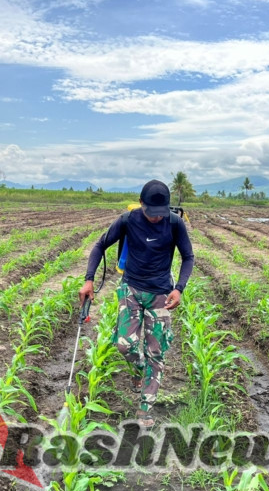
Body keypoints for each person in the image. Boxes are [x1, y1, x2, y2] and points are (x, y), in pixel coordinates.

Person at [79, 179, 194, 427]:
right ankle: (140, 369)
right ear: (141, 203)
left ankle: (145, 409)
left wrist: (179, 288)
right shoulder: (128, 220)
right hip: (131, 288)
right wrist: (89, 280)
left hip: (161, 293)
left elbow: (188, 257)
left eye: (161, 213)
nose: (156, 217)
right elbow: (99, 245)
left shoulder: (175, 223)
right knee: (124, 344)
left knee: (156, 352)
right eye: (152, 212)